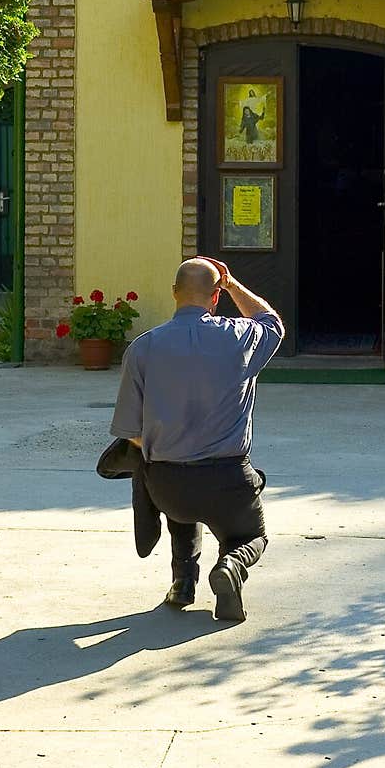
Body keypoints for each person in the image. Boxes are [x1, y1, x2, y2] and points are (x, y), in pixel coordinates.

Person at [108, 256, 284, 622]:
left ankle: (182, 584)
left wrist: (170, 447)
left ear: (173, 293)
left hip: (168, 487)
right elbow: (272, 322)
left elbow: (132, 434)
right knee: (252, 536)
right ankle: (232, 566)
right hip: (229, 482)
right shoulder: (241, 336)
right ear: (216, 298)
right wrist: (232, 283)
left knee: (181, 504)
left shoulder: (142, 349)